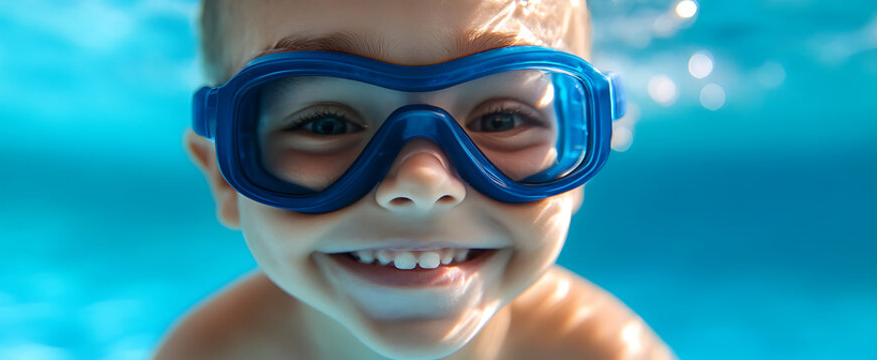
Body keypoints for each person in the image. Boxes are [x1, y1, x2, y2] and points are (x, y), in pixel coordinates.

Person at [155, 0, 675, 359]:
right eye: (326, 125)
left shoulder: (603, 352)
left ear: (574, 170)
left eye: (501, 121)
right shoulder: (211, 354)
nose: (423, 180)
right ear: (225, 178)